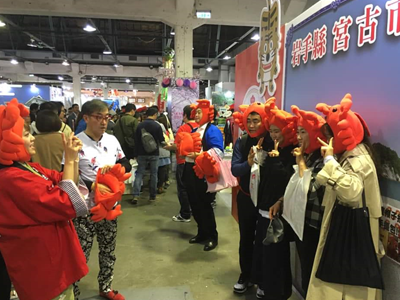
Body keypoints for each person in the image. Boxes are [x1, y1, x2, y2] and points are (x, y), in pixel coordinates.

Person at [0, 98, 89, 300]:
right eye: (24, 134)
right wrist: (69, 158)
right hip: (40, 263)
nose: (32, 138)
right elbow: (66, 201)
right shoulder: (11, 178)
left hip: (49, 256)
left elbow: (66, 183)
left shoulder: (24, 167)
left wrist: (72, 158)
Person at [307, 94, 383, 300]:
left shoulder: (358, 159)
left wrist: (330, 160)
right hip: (349, 232)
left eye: (330, 134)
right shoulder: (355, 155)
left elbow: (351, 192)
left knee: (342, 289)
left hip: (350, 236)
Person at [74, 100, 131, 300]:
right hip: (85, 210)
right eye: (99, 117)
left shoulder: (112, 140)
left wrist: (115, 170)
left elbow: (125, 163)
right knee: (80, 254)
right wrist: (91, 185)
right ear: (86, 118)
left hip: (109, 207)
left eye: (107, 117)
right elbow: (67, 176)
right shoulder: (76, 142)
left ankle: (105, 287)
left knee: (108, 249)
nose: (104, 122)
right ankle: (73, 292)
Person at [271, 105, 326, 296]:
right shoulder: (309, 156)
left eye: (303, 132)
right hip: (303, 224)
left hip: (314, 227)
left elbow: (309, 190)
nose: (299, 136)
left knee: (312, 275)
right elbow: (294, 188)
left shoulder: (322, 159)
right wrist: (281, 200)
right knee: (305, 271)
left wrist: (300, 162)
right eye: (297, 131)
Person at [252, 97, 297, 299]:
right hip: (264, 210)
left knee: (277, 256)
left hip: (279, 213)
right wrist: (259, 159)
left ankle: (278, 292)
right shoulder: (270, 150)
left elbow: (289, 182)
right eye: (271, 130)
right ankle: (266, 287)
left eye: (277, 131)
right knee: (264, 252)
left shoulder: (291, 153)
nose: (273, 134)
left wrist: (276, 161)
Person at [231, 102, 272, 293]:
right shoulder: (242, 141)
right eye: (249, 121)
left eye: (256, 121)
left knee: (264, 241)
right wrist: (248, 163)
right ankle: (246, 275)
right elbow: (234, 168)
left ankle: (263, 279)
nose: (252, 125)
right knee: (246, 238)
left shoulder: (274, 140)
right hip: (246, 197)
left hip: (268, 202)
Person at [182, 99, 223, 251]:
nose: (197, 115)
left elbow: (218, 151)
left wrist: (198, 155)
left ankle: (212, 236)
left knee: (205, 205)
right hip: (191, 172)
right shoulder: (195, 130)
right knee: (195, 204)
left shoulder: (213, 130)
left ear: (207, 113)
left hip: (203, 175)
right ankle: (202, 232)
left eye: (200, 112)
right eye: (196, 112)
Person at [164, 105, 198, 222]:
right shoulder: (200, 127)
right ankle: (194, 211)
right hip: (197, 161)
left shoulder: (183, 128)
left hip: (183, 162)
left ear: (185, 115)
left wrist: (168, 147)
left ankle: (185, 214)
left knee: (183, 188)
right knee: (194, 188)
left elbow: (178, 146)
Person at [131, 107, 165, 203]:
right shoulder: (157, 126)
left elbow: (136, 141)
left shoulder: (140, 125)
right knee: (154, 174)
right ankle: (152, 196)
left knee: (140, 173)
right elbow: (161, 140)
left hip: (141, 153)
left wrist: (136, 153)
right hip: (154, 153)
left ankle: (136, 196)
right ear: (155, 114)